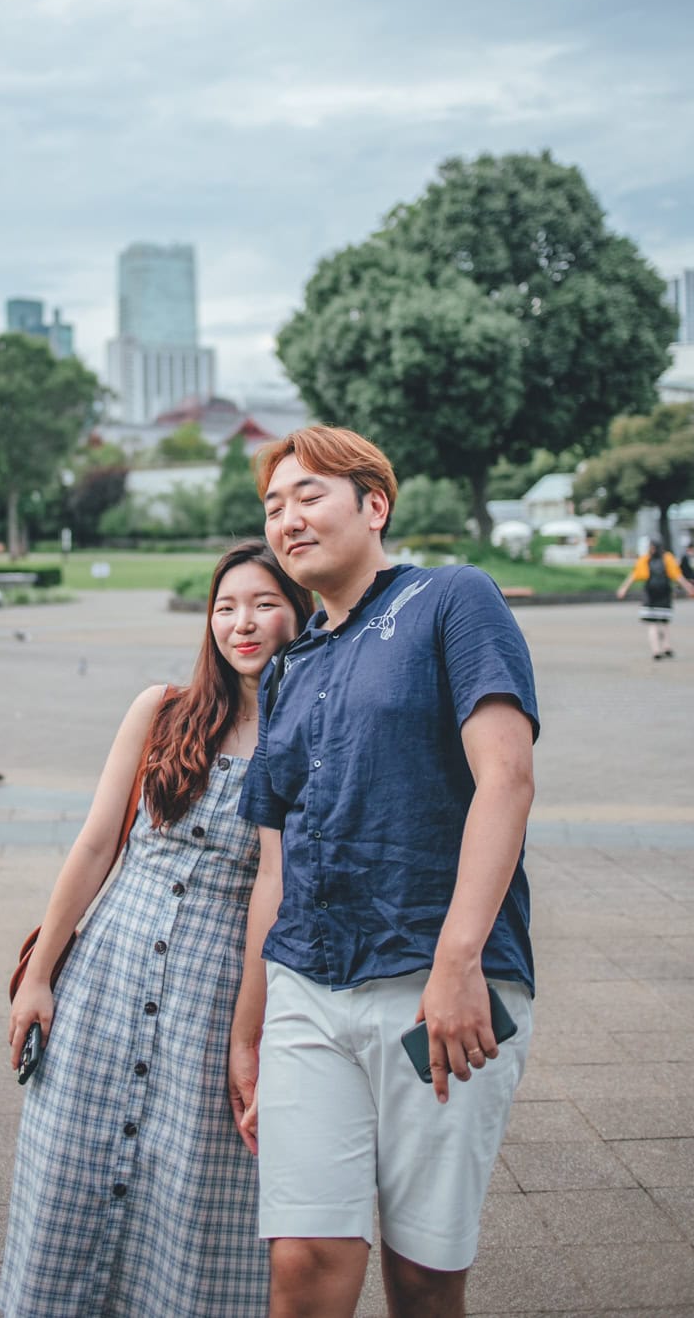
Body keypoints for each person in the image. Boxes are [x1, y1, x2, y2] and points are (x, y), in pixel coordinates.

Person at [228, 426, 539, 1318]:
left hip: (437, 989)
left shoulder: (453, 600)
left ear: (375, 505)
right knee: (303, 1264)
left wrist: (458, 963)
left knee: (423, 1277)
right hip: (307, 989)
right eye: (273, 507)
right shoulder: (287, 670)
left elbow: (507, 778)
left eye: (309, 496)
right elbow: (275, 870)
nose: (287, 520)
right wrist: (249, 1031)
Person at [0, 541, 313, 1318]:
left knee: (193, 1192)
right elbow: (96, 844)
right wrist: (40, 973)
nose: (242, 624)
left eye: (264, 604)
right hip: (107, 975)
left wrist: (251, 1029)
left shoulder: (310, 733)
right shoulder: (162, 711)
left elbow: (278, 887)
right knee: (73, 1169)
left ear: (300, 612)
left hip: (217, 992)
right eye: (226, 607)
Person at [616, 538, 694, 658]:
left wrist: (623, 588)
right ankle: (666, 646)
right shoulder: (667, 558)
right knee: (664, 622)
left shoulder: (645, 559)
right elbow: (677, 576)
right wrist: (689, 587)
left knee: (652, 624)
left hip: (650, 594)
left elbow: (635, 575)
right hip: (664, 593)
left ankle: (656, 650)